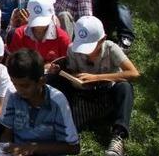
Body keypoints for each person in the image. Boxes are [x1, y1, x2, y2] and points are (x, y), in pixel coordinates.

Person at [0, 49, 80, 156]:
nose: (19, 90)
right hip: (17, 151)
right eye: (15, 84)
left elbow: (73, 147)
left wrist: (33, 148)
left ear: (41, 81)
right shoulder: (12, 93)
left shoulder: (57, 101)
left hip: (43, 152)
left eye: (25, 85)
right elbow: (6, 133)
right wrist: (8, 146)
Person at [48, 16, 139, 156]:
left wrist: (97, 78)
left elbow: (133, 73)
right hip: (82, 94)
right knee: (55, 80)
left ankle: (118, 136)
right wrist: (64, 73)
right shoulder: (73, 50)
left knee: (125, 88)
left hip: (107, 92)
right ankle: (58, 122)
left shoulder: (111, 48)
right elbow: (72, 70)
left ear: (102, 40)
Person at [6, 0, 70, 64]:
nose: (39, 25)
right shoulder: (19, 34)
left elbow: (66, 65)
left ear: (52, 16)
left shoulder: (62, 37)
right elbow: (15, 63)